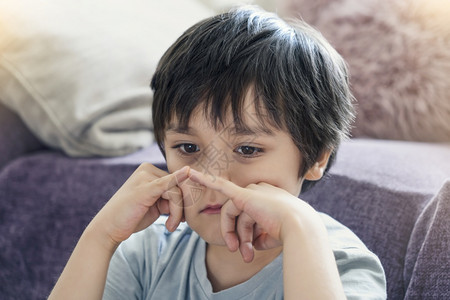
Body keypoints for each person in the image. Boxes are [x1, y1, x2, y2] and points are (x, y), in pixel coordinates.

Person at [49, 6, 386, 300]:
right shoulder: (148, 253)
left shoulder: (342, 266)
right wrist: (100, 236)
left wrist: (301, 227)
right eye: (188, 148)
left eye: (248, 149)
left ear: (317, 159)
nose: (212, 177)